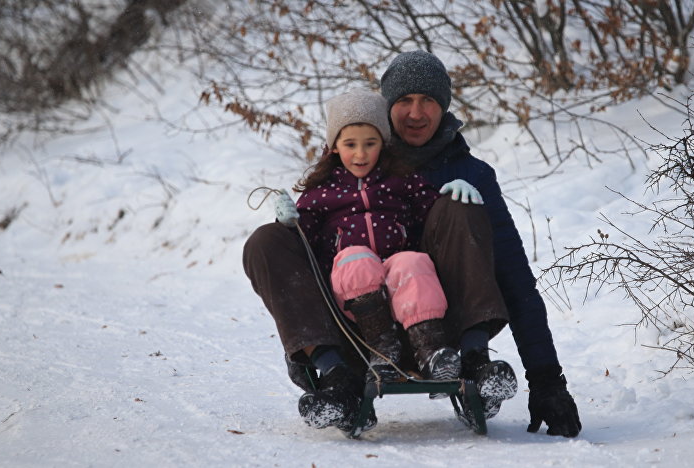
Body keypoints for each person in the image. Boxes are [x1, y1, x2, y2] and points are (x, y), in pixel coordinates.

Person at [244, 89, 515, 434]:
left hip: (414, 307)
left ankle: (462, 359)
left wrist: (452, 197)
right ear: (334, 147)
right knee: (336, 256)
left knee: (410, 261)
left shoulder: (402, 182)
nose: (360, 154)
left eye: (370, 143)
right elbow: (302, 253)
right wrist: (290, 223)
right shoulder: (321, 193)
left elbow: (438, 223)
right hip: (352, 324)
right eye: (350, 144)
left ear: (383, 143)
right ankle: (336, 375)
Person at [378, 50, 581, 438]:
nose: (416, 113)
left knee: (460, 204)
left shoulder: (473, 175)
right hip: (374, 329)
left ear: (444, 107)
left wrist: (547, 380)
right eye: (404, 100)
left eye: (428, 101)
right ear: (387, 107)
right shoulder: (362, 163)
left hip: (453, 333)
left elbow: (515, 279)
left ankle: (474, 361)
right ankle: (332, 367)